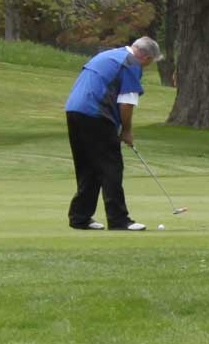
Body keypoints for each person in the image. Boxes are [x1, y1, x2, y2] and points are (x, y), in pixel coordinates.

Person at [64, 37, 163, 231]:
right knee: (111, 167)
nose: (147, 66)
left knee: (88, 166)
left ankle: (80, 217)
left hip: (74, 110)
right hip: (96, 114)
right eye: (150, 62)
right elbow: (126, 102)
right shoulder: (132, 62)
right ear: (145, 56)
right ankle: (119, 220)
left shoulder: (109, 54)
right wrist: (126, 131)